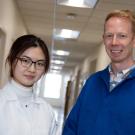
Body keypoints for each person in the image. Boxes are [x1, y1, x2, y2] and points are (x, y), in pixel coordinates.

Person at [62, 9, 135, 135]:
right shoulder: (93, 82)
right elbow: (72, 126)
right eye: (109, 35)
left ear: (134, 40)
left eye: (122, 36)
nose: (114, 42)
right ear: (103, 39)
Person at [0, 34, 57, 135]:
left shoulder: (47, 111)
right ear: (11, 60)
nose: (32, 69)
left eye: (39, 63)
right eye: (25, 61)